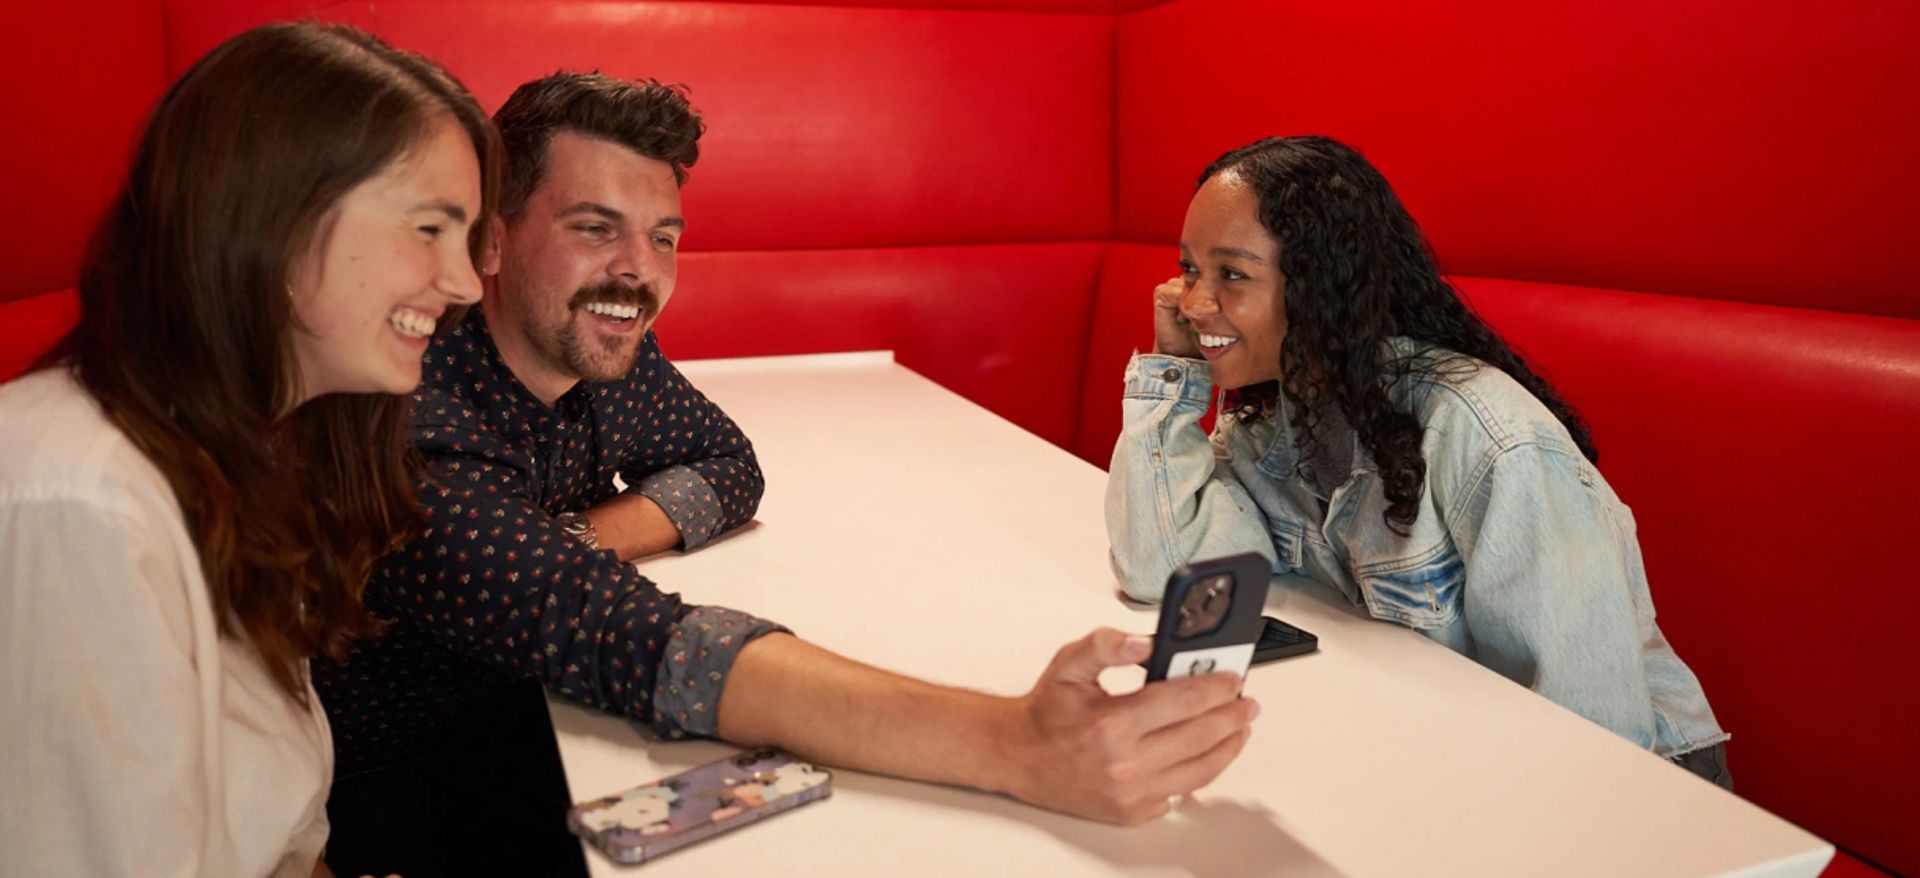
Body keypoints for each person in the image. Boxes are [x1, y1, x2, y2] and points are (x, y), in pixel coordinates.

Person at [315, 71, 1257, 866]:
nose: (639, 272)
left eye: (665, 237)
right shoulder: (417, 408)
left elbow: (729, 467)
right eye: (596, 228)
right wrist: (1014, 744)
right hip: (403, 784)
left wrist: (567, 542)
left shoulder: (604, 352)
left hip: (535, 709)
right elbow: (632, 636)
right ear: (495, 237)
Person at [0, 21, 498, 877]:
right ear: (273, 214)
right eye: (429, 228)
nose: (464, 283)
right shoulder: (78, 505)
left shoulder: (256, 454)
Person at [1104, 136, 1730, 787]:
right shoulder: (1274, 413)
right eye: (1190, 270)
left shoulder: (1489, 439)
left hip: (1645, 789)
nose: (1194, 302)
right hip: (1444, 747)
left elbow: (1595, 733)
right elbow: (1165, 567)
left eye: (1232, 274)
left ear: (1321, 284)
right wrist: (1172, 370)